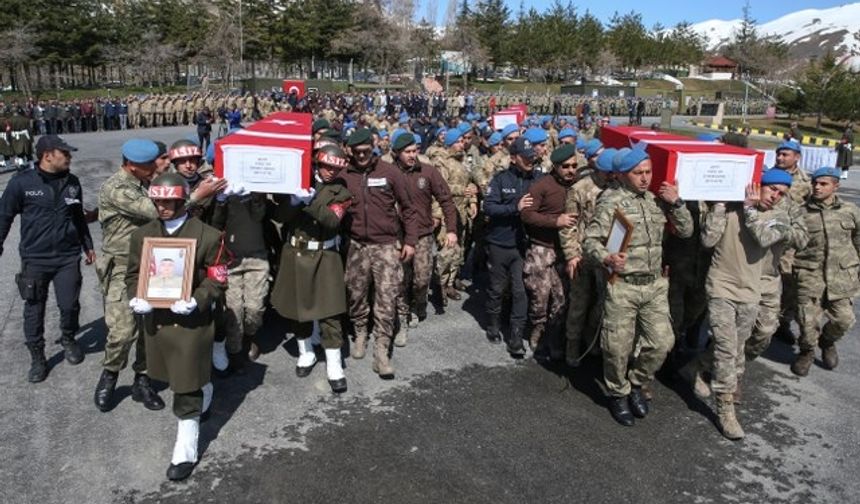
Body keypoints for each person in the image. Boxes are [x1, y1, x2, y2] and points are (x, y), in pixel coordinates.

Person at [125, 172, 227, 481]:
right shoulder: (141, 236)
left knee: (184, 384)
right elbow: (133, 273)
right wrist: (137, 296)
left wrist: (198, 298)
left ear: (183, 199)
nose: (162, 206)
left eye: (169, 200)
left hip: (191, 320)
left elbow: (218, 276)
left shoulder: (208, 235)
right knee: (176, 375)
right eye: (157, 200)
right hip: (158, 319)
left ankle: (185, 448)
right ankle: (204, 383)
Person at [583, 146, 693, 426]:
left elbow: (686, 230)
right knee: (617, 347)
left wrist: (677, 203)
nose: (645, 178)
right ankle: (618, 393)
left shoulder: (656, 200)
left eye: (648, 172)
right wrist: (606, 257)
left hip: (654, 285)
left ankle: (635, 383)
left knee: (661, 343)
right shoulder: (611, 202)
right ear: (623, 175)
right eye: (638, 173)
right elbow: (590, 241)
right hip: (624, 285)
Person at [698, 172, 793, 439]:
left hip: (751, 291)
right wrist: (718, 205)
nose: (775, 196)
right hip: (721, 286)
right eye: (771, 189)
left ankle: (698, 367)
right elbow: (707, 241)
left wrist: (750, 209)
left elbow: (764, 238)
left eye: (781, 193)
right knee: (728, 349)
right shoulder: (729, 210)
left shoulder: (780, 217)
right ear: (755, 186)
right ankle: (725, 410)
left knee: (736, 348)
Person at [0, 135, 94, 382]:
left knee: (70, 305)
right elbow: (4, 216)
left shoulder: (72, 182)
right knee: (34, 309)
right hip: (35, 258)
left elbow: (78, 217)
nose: (70, 158)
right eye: (65, 153)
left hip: (67, 257)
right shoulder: (21, 183)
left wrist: (88, 245)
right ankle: (37, 357)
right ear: (47, 155)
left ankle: (68, 338)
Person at [270, 143, 353, 393]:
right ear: (317, 163)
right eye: (326, 166)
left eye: (334, 168)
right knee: (298, 308)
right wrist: (293, 200)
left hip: (325, 254)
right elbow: (279, 216)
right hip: (296, 252)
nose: (329, 172)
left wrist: (309, 201)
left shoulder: (342, 191)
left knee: (330, 311)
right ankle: (305, 352)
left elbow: (331, 220)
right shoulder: (299, 181)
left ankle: (334, 364)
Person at [339, 128, 418, 377]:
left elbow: (409, 208)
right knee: (356, 293)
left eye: (366, 151)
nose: (362, 156)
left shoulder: (389, 172)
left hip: (385, 245)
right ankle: (360, 332)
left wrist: (411, 241)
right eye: (357, 152)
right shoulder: (344, 175)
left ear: (372, 148)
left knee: (386, 298)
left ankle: (382, 350)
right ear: (350, 150)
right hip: (356, 246)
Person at [94, 139, 165, 412]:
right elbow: (155, 210)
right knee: (122, 331)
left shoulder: (146, 183)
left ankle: (142, 381)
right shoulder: (118, 187)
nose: (155, 167)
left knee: (150, 328)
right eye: (150, 164)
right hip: (122, 267)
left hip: (152, 264)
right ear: (132, 165)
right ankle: (110, 375)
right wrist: (200, 193)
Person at [791, 167, 860, 377]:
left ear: (835, 186)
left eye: (823, 184)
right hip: (809, 274)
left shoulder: (850, 210)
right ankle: (807, 352)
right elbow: (791, 244)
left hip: (841, 275)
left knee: (844, 320)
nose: (817, 187)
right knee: (806, 322)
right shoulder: (801, 212)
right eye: (815, 183)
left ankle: (827, 341)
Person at [391, 131, 457, 345]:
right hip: (398, 236)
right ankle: (403, 315)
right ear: (396, 153)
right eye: (407, 152)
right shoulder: (389, 173)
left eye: (414, 151)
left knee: (421, 278)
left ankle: (417, 305)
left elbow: (446, 200)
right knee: (401, 278)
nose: (412, 155)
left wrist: (451, 230)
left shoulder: (428, 172)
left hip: (423, 234)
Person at [483, 137, 543, 355]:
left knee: (520, 291)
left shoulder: (538, 178)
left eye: (532, 157)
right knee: (497, 289)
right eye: (525, 158)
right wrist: (514, 208)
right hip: (500, 243)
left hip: (522, 246)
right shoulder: (500, 180)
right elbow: (489, 208)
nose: (529, 161)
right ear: (513, 158)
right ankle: (493, 324)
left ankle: (516, 337)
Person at [520, 144, 578, 359]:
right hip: (541, 248)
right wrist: (555, 221)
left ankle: (554, 336)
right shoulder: (542, 186)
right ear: (555, 167)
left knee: (561, 297)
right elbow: (527, 214)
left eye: (574, 166)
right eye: (566, 166)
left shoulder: (577, 186)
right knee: (540, 295)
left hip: (565, 251)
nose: (571, 170)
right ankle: (538, 331)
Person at [560, 147, 616, 367]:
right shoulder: (580, 189)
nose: (612, 177)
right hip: (583, 255)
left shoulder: (617, 189)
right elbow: (568, 227)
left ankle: (591, 337)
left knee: (604, 302)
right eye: (608, 173)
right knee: (579, 302)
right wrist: (571, 255)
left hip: (606, 255)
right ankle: (572, 345)